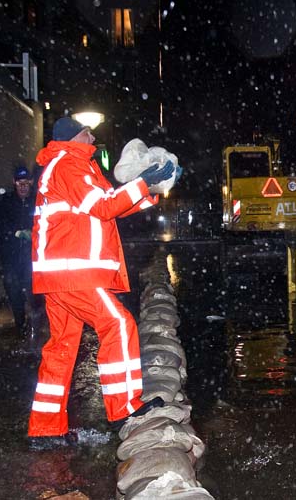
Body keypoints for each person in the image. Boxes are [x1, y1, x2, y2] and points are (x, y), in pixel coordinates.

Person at [27, 117, 177, 447]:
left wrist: (148, 189)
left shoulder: (74, 165)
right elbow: (103, 207)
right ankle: (124, 407)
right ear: (72, 137)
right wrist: (143, 183)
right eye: (87, 131)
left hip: (61, 272)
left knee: (61, 348)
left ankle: (45, 429)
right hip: (73, 272)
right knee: (119, 325)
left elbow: (112, 204)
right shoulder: (69, 164)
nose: (93, 135)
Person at [0, 165, 36, 336]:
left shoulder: (38, 201)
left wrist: (35, 234)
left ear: (31, 182)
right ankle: (21, 326)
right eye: (19, 182)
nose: (23, 186)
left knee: (34, 292)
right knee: (14, 291)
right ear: (13, 182)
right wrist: (15, 232)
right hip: (9, 258)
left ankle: (35, 327)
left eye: (26, 182)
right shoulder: (3, 202)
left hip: (32, 257)